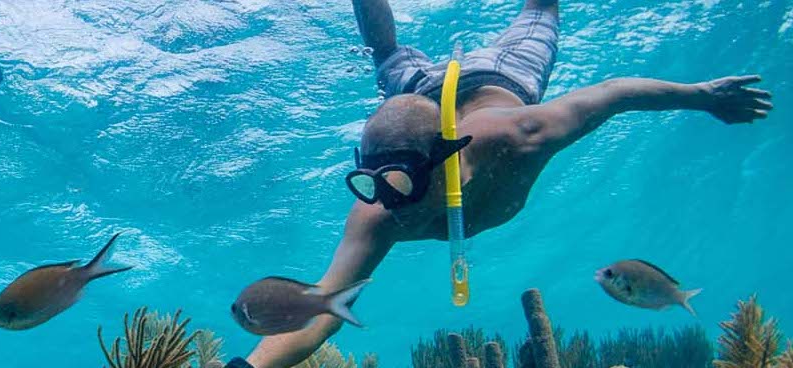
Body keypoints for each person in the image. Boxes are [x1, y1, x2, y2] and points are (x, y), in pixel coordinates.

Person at [242, 0, 773, 366]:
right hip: (414, 95)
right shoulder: (377, 213)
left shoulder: (524, 134)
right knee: (385, 56)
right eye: (370, 184)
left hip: (505, 76)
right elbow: (322, 311)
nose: (388, 204)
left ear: (446, 161)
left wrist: (704, 94)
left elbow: (615, 92)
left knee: (542, 8)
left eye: (399, 184)